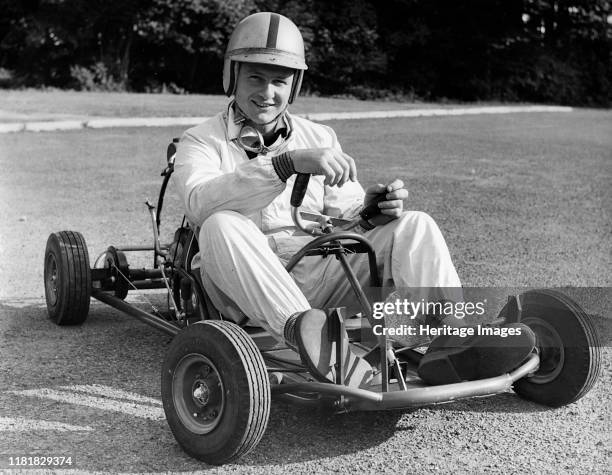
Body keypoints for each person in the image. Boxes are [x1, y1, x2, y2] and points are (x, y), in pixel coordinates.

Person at [172, 12, 535, 388]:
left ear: (294, 86)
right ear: (232, 75)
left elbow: (345, 216)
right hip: (242, 282)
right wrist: (285, 163)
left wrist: (372, 210)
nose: (267, 93)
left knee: (415, 223)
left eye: (279, 81)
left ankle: (455, 338)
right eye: (255, 78)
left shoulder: (320, 136)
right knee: (220, 223)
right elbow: (200, 202)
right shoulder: (201, 140)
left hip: (318, 276)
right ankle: (311, 337)